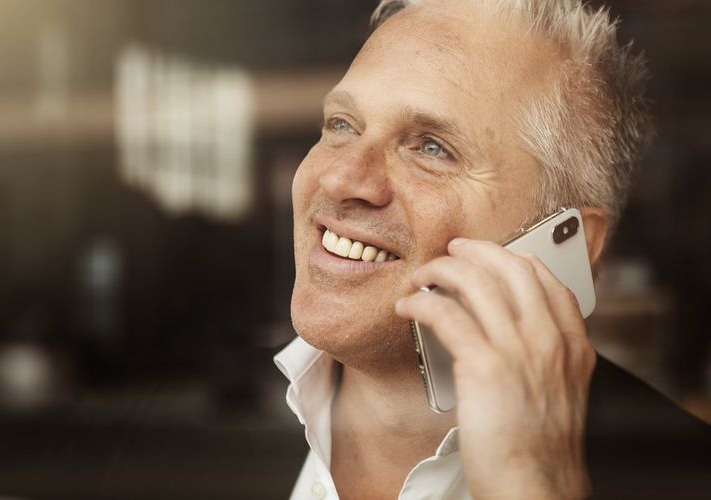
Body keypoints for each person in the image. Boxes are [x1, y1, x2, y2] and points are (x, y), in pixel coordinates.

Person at [277, 0, 711, 499]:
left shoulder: (687, 477)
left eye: (431, 147)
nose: (338, 177)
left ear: (568, 243)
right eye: (342, 125)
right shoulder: (195, 436)